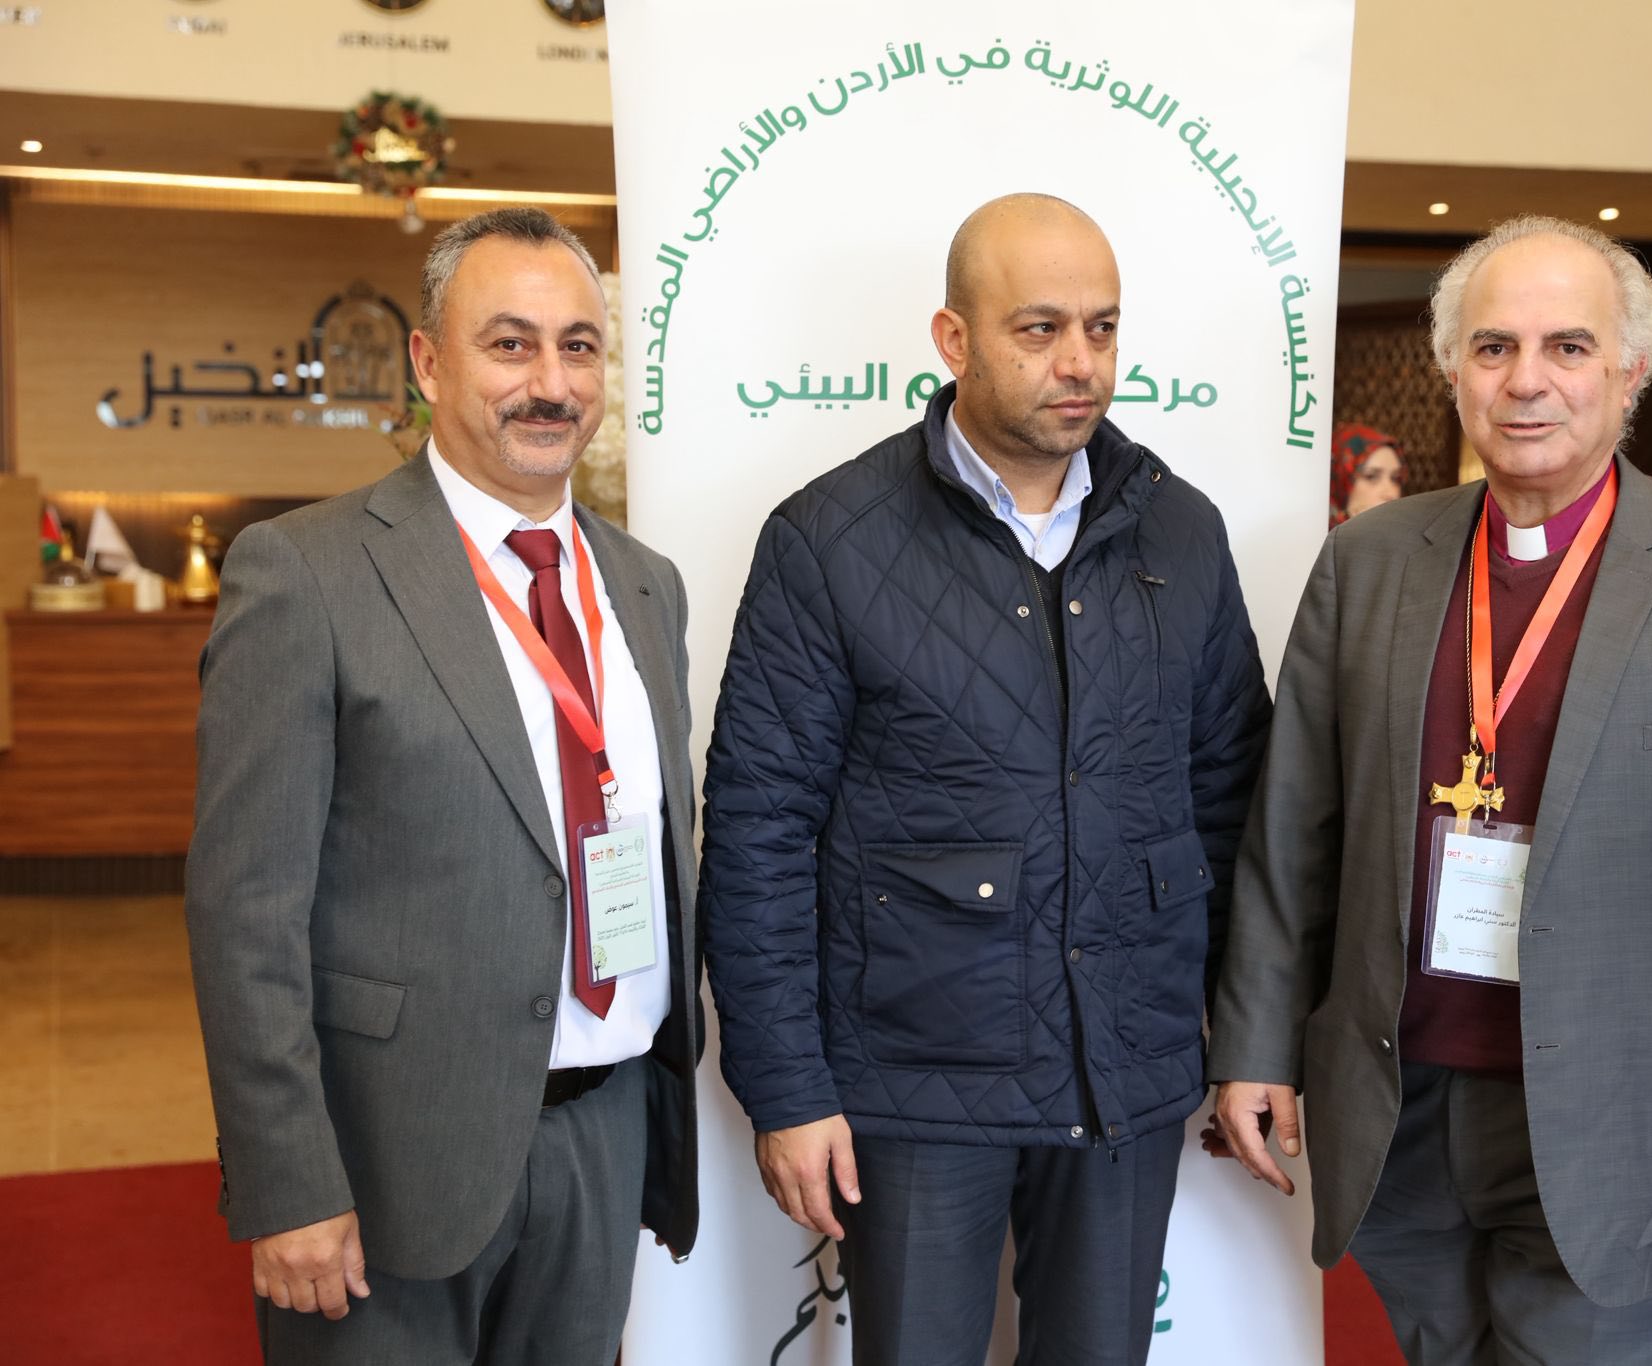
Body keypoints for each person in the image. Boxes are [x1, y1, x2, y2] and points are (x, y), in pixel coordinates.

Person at [1206, 214, 1652, 1363]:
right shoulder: (1365, 562)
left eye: (1567, 346)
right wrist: (1255, 1042)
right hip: (1401, 1111)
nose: (1526, 381)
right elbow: (1291, 835)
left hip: (1629, 1127)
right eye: (1492, 346)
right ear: (1451, 370)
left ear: (1630, 369)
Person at [699, 192, 1271, 1365]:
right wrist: (786, 1088)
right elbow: (759, 831)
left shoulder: (1180, 529)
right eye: (1039, 329)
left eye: (1101, 328)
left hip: (1125, 1065)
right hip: (913, 1081)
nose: (1079, 362)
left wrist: (1250, 1038)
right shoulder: (827, 538)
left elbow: (1232, 800)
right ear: (952, 340)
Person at [185, 207, 700, 1364]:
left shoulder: (645, 585)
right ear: (427, 362)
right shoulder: (306, 573)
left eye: (577, 346)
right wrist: (287, 1178)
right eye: (509, 344)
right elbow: (244, 908)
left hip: (606, 1130)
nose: (550, 383)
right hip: (389, 1155)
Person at [1331, 423, 1407, 526]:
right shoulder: (1312, 531)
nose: (1391, 494)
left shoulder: (1406, 531)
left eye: (1396, 479)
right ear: (1341, 479)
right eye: (1371, 476)